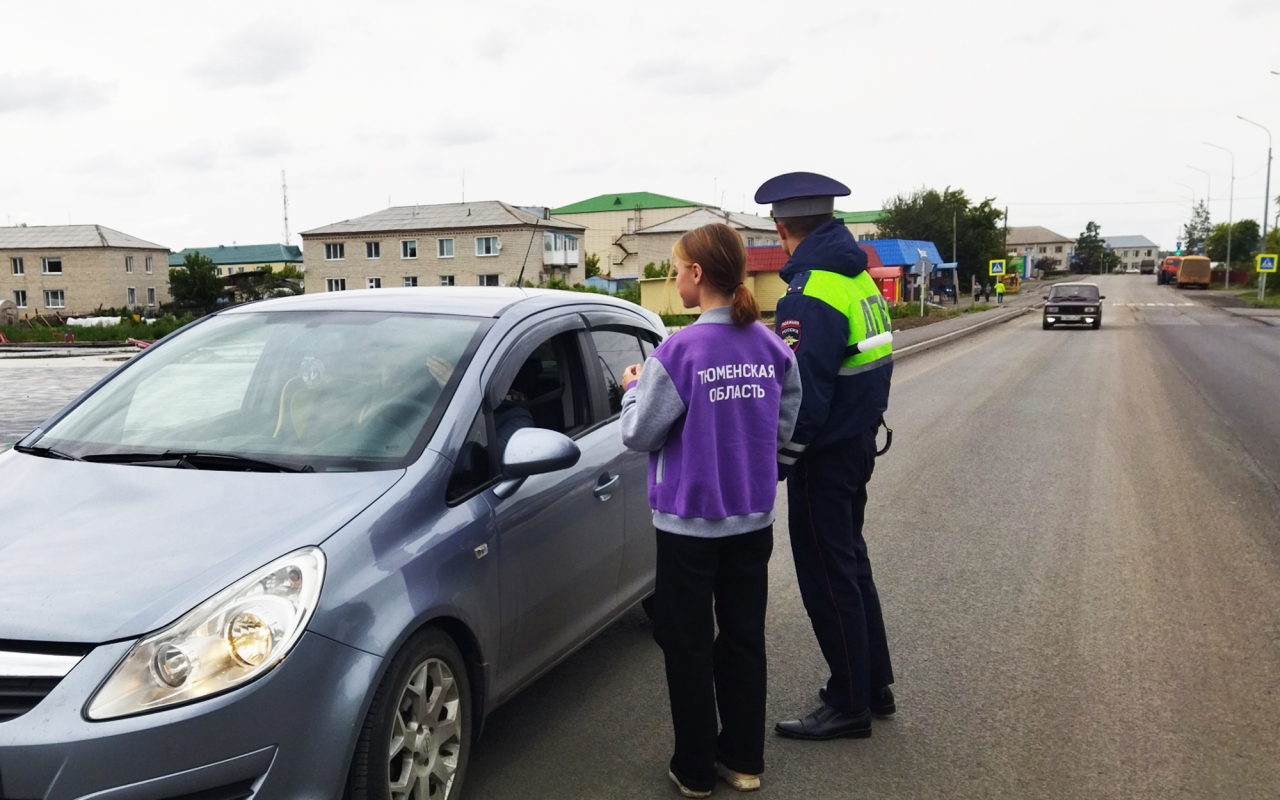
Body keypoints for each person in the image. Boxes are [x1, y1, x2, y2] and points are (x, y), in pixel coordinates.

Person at [620, 223, 801, 797]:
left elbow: (638, 433)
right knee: (744, 636)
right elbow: (785, 423)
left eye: (676, 269)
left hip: (687, 525)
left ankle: (695, 770)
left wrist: (631, 387)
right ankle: (744, 761)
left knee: (688, 642)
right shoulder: (770, 345)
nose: (674, 279)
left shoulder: (680, 351)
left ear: (699, 274)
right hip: (753, 518)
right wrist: (757, 461)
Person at [755, 171, 897, 741]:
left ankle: (848, 702)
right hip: (857, 440)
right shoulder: (855, 278)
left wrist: (777, 466)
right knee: (851, 565)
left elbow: (802, 400)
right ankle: (873, 683)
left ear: (785, 228)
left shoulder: (810, 293)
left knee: (826, 577)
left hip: (825, 455)